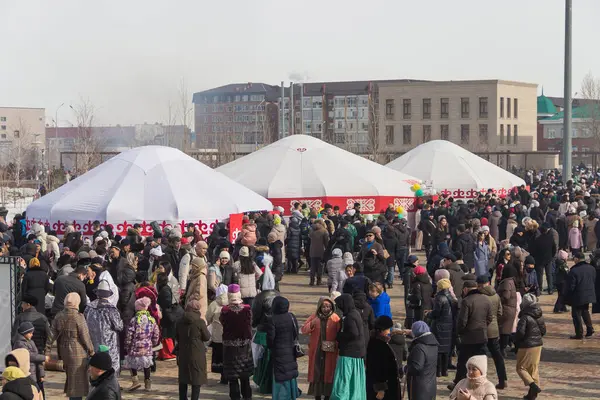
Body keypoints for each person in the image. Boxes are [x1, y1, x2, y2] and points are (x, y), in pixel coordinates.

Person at [45, 293, 94, 400]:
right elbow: (85, 337)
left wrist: (47, 352)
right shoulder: (78, 317)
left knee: (71, 378)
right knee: (77, 382)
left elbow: (51, 336)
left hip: (64, 351)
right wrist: (92, 352)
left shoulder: (59, 316)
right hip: (78, 352)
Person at [451, 281, 492, 389]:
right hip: (482, 335)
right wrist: (483, 326)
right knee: (480, 362)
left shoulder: (467, 301)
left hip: (469, 337)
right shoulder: (486, 299)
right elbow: (490, 318)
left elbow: (462, 321)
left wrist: (460, 332)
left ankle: (459, 384)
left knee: (463, 362)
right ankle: (481, 383)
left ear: (465, 289)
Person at [300, 297, 341, 400]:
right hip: (317, 350)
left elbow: (340, 334)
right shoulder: (314, 317)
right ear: (319, 307)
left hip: (330, 351)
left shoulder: (335, 318)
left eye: (328, 306)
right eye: (323, 306)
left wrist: (335, 344)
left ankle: (327, 396)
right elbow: (303, 330)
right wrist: (312, 323)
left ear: (332, 306)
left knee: (328, 373)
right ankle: (317, 395)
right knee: (317, 372)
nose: (325, 308)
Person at [220, 284, 254, 400]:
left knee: (233, 377)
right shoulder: (247, 309)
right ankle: (247, 397)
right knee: (244, 376)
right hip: (245, 347)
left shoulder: (225, 310)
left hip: (230, 348)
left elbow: (222, 323)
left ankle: (235, 397)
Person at [330, 294, 366, 400]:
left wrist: (338, 336)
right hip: (357, 353)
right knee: (354, 382)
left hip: (348, 354)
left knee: (343, 381)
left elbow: (353, 334)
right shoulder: (355, 313)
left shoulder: (349, 317)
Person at [84, 280, 123, 375]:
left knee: (95, 364)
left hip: (93, 342)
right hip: (109, 344)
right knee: (110, 364)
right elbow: (119, 326)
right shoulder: (111, 309)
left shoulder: (89, 308)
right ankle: (110, 384)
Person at [176, 299, 211, 400]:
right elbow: (207, 337)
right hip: (197, 352)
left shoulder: (179, 321)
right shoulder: (200, 322)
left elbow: (177, 336)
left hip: (183, 352)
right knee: (196, 377)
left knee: (183, 377)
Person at [266, 296, 300, 399]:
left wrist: (270, 347)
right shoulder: (291, 316)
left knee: (280, 375)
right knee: (290, 372)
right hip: (290, 350)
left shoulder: (272, 319)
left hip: (278, 351)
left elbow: (270, 339)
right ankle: (292, 394)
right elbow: (296, 333)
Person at [124, 297, 160, 391]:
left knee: (132, 364)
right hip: (147, 347)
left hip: (135, 347)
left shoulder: (134, 320)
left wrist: (127, 345)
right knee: (147, 365)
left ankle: (135, 381)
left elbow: (129, 334)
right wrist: (154, 343)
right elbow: (156, 332)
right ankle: (147, 383)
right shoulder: (151, 319)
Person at [477, 275, 507, 390]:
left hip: (482, 329)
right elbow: (500, 312)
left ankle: (480, 380)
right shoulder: (496, 295)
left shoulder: (480, 296)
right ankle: (503, 379)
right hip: (494, 329)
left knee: (480, 356)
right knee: (497, 356)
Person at [514, 293, 546, 400]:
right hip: (538, 345)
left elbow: (520, 333)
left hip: (526, 345)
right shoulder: (539, 315)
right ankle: (532, 395)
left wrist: (516, 343)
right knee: (534, 369)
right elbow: (543, 331)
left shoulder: (525, 317)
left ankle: (533, 386)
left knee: (521, 368)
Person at [365, 316, 402, 400]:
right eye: (388, 329)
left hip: (387, 385)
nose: (389, 331)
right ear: (382, 330)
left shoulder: (380, 343)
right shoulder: (377, 346)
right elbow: (377, 369)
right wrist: (380, 389)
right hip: (383, 388)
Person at [566, 250, 596, 339]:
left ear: (577, 259)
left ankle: (579, 333)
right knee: (585, 311)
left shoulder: (574, 270)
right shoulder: (591, 268)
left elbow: (571, 286)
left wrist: (567, 297)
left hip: (578, 296)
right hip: (589, 294)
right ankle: (590, 329)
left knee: (576, 315)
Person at [429, 278, 455, 378]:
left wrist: (429, 314)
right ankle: (445, 370)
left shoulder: (439, 298)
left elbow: (436, 313)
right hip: (449, 325)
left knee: (438, 349)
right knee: (446, 348)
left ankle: (438, 371)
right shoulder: (451, 297)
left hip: (439, 325)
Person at [12, 322, 46, 397]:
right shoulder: (19, 343)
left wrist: (41, 374)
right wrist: (44, 357)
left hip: (36, 373)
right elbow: (29, 356)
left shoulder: (31, 342)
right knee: (33, 392)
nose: (32, 335)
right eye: (30, 333)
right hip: (29, 373)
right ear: (24, 333)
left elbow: (37, 358)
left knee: (40, 393)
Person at [406, 321, 438, 400]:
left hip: (419, 387)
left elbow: (416, 367)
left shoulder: (419, 347)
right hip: (431, 385)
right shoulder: (434, 345)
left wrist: (405, 368)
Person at [206, 284, 228, 385]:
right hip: (229, 335)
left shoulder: (214, 304)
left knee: (219, 356)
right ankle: (227, 375)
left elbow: (208, 317)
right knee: (228, 356)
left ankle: (222, 376)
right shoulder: (231, 303)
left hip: (217, 336)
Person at [157, 272, 182, 361]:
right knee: (165, 335)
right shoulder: (164, 289)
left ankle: (169, 353)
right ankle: (164, 353)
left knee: (166, 334)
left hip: (167, 314)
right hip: (166, 313)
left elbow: (166, 303)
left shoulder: (164, 290)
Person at [497, 264, 519, 356]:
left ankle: (502, 349)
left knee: (504, 330)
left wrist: (498, 300)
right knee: (507, 330)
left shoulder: (506, 282)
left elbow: (506, 296)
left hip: (506, 309)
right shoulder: (511, 281)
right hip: (510, 309)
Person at [309, 220, 330, 286]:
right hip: (321, 251)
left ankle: (312, 281)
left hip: (312, 250)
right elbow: (326, 242)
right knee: (320, 267)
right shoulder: (324, 231)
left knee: (313, 267)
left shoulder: (312, 230)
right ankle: (319, 281)